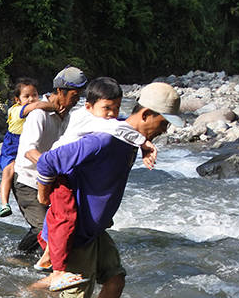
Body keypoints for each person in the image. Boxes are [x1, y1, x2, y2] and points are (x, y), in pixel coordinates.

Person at [35, 82, 182, 298]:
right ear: (146, 114)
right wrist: (43, 197)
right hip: (76, 231)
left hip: (94, 230)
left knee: (115, 279)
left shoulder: (129, 137)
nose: (165, 130)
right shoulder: (102, 141)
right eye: (164, 123)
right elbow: (48, 162)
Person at [35, 76, 159, 284]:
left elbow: (121, 126)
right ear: (89, 106)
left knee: (63, 221)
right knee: (65, 219)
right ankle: (57, 272)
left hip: (65, 173)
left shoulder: (101, 120)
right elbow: (119, 129)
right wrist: (144, 143)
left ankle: (47, 260)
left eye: (117, 108)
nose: (112, 114)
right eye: (107, 108)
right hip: (61, 175)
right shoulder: (93, 123)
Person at [12, 66, 87, 253]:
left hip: (48, 180)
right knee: (41, 228)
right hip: (27, 180)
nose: (76, 101)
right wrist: (53, 167)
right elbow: (30, 151)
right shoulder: (39, 114)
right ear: (60, 91)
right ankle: (19, 257)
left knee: (62, 226)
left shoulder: (66, 115)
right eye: (74, 96)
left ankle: (46, 261)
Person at [0, 78, 43, 218]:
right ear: (17, 100)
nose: (31, 99)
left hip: (25, 144)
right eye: (27, 96)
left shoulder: (36, 114)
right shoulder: (16, 110)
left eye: (34, 95)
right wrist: (53, 105)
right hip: (12, 145)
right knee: (9, 171)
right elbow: (33, 107)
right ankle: (4, 204)